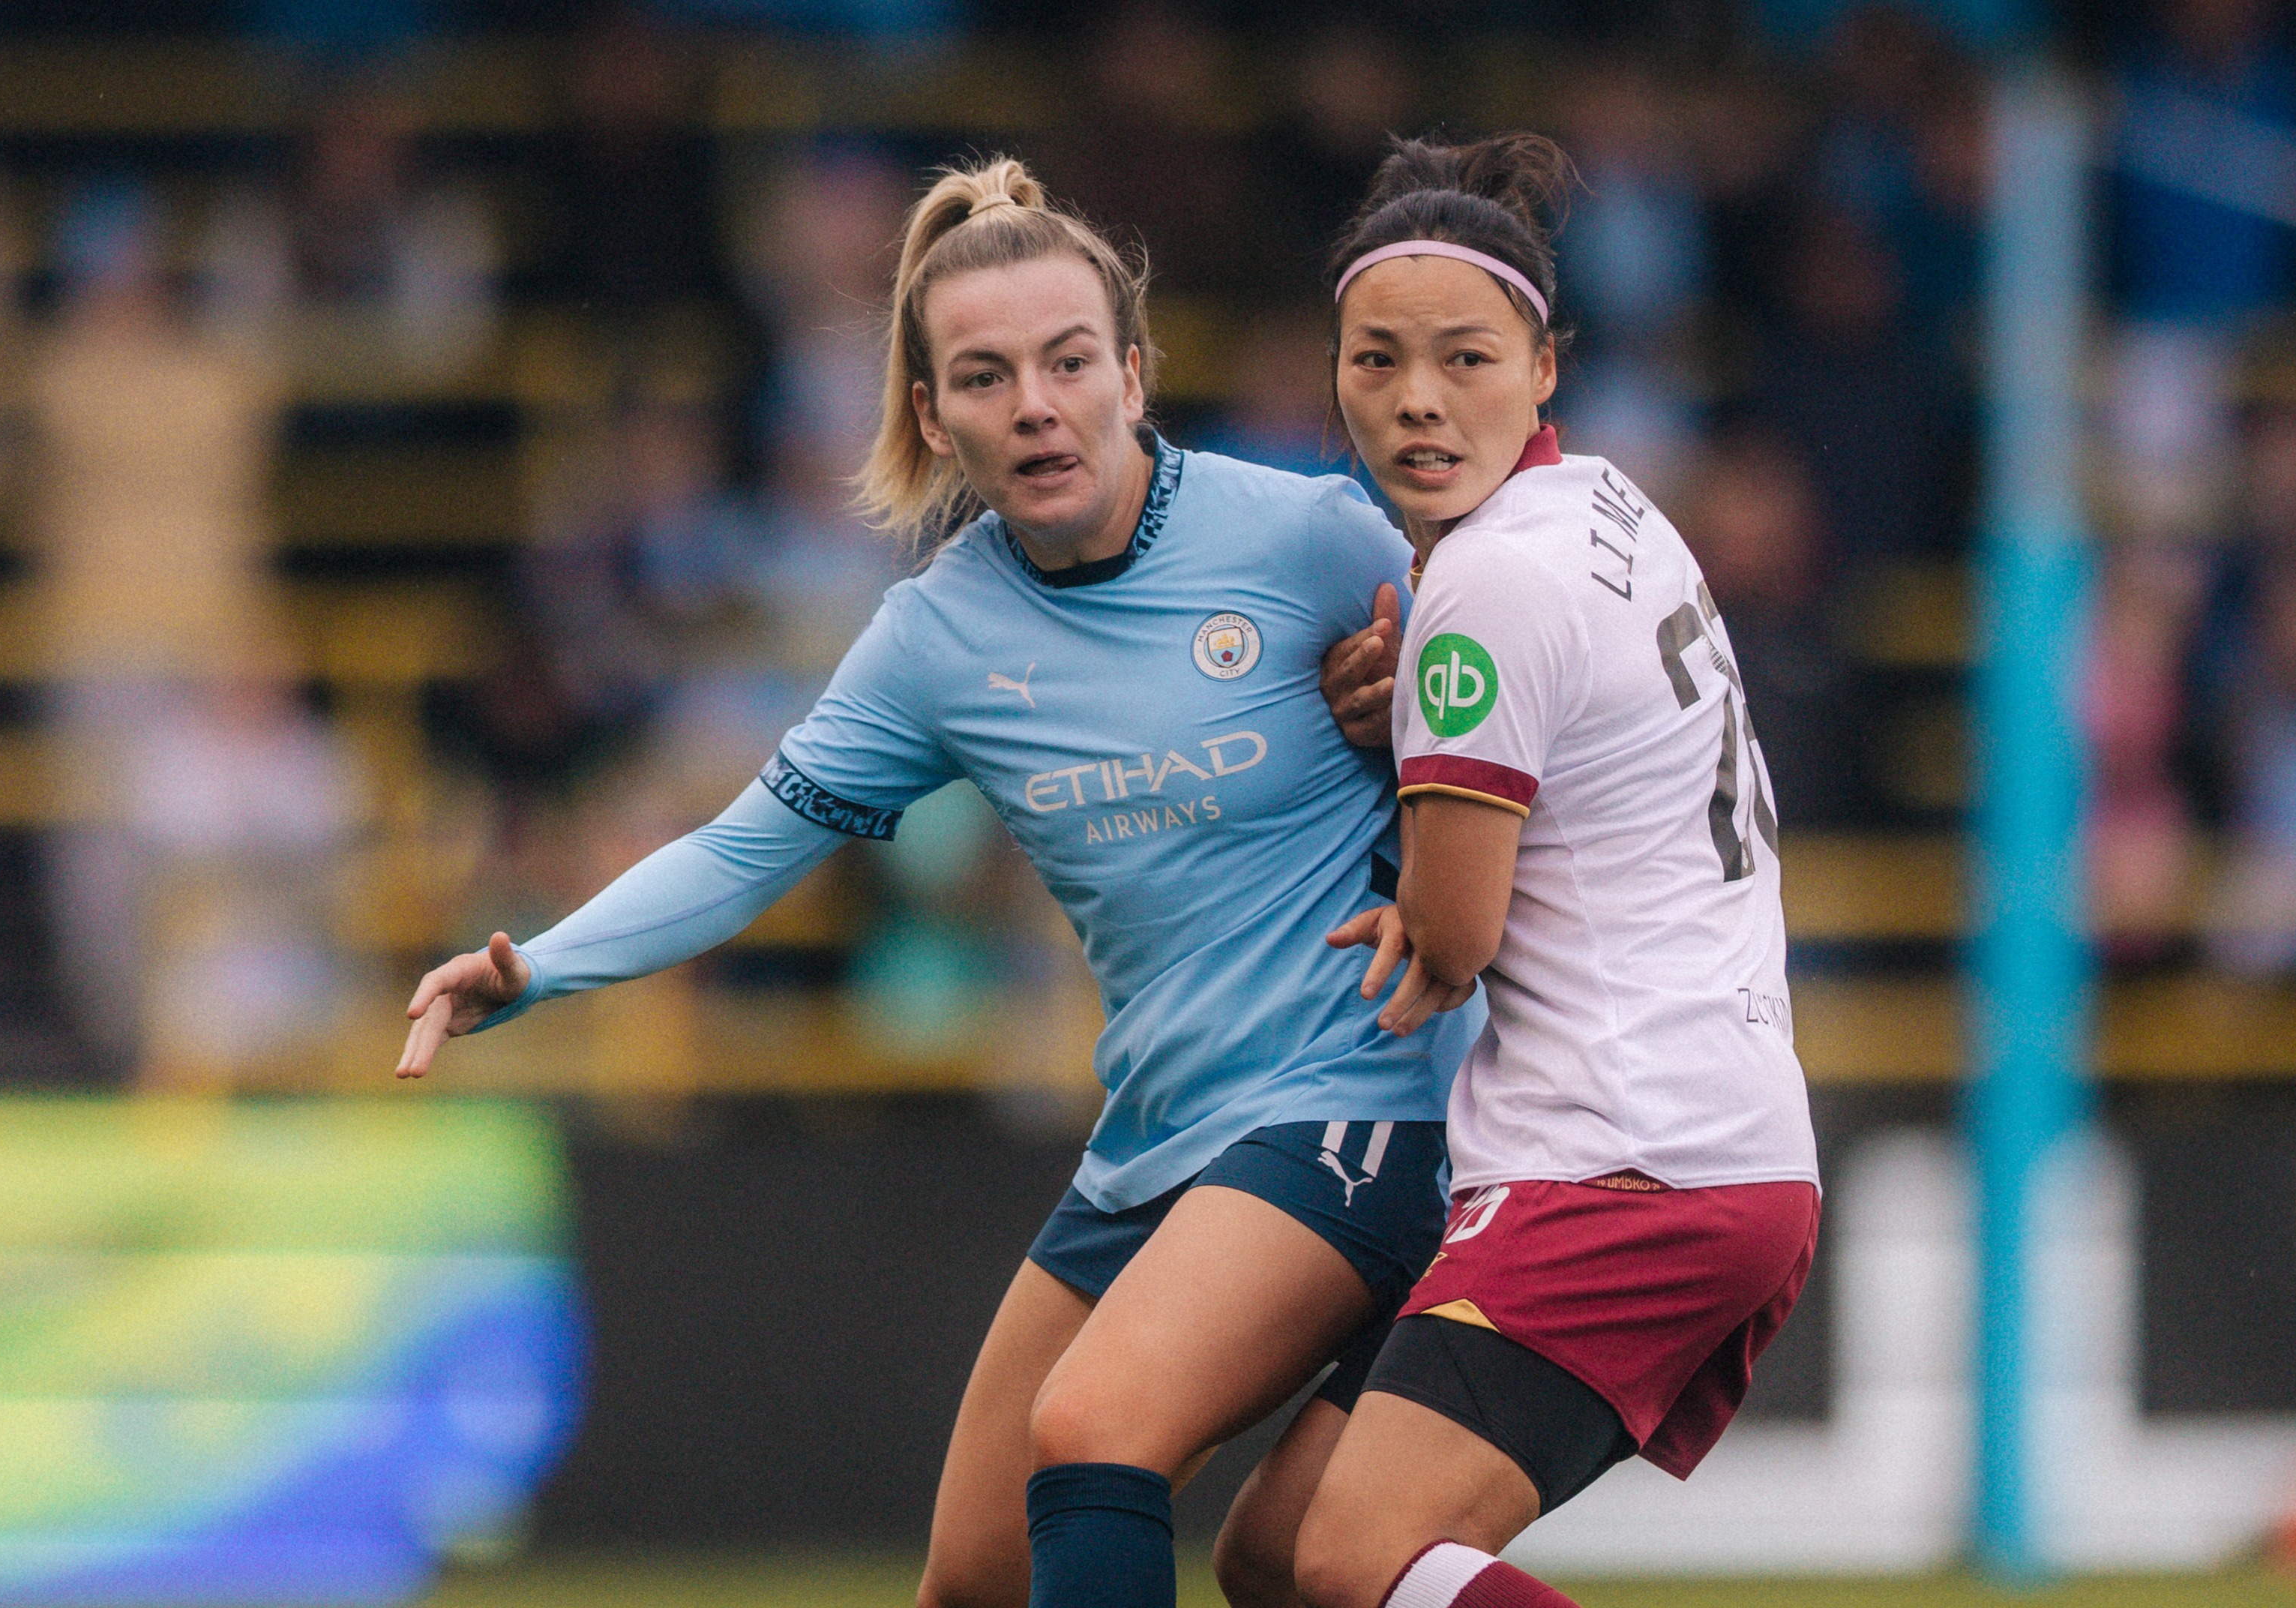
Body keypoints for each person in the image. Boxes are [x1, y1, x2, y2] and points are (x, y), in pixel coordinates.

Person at [391, 158, 1477, 1608]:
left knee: (1096, 1435)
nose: (1034, 403)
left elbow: (1520, 710)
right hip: (1157, 1135)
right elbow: (739, 851)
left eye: (1068, 361)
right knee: (970, 1582)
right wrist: (534, 969)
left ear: (1135, 374)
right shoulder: (935, 640)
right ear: (931, 416)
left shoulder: (1310, 540)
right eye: (984, 375)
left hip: (1361, 1113)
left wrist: (1414, 726)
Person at [1291, 136, 1822, 1608]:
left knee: (1348, 1560)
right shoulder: (1605, 504)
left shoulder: (1482, 587)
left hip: (1618, 1151)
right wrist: (1415, 725)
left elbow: (1451, 938)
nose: (1415, 398)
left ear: (1542, 365)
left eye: (1463, 357)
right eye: (1377, 360)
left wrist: (1401, 806)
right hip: (1719, 1130)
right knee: (1278, 1556)